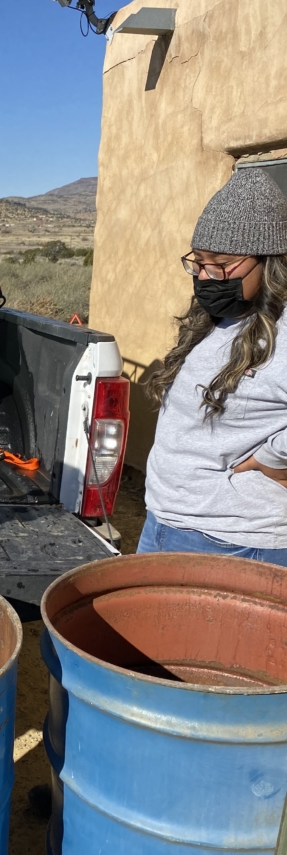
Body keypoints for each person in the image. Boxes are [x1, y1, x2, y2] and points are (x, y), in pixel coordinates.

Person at [138, 167, 287, 562]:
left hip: (233, 537)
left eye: (220, 264)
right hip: (165, 520)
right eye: (198, 262)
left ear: (269, 262)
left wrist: (273, 459)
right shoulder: (217, 320)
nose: (205, 277)